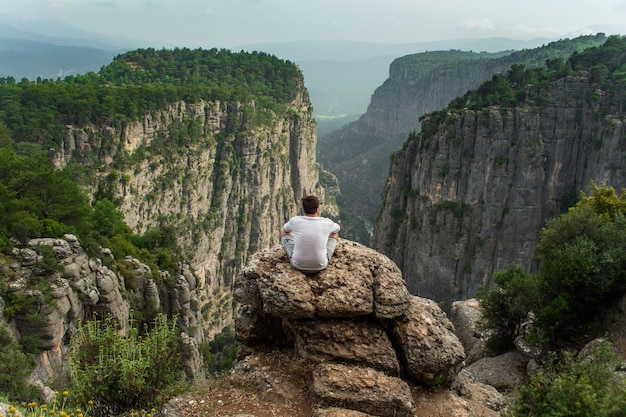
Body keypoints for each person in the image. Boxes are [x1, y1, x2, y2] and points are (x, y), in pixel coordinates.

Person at [280, 195, 340, 272]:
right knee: (334, 234)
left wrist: (295, 235)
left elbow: (285, 230)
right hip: (320, 266)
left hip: (297, 265)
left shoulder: (295, 221)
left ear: (304, 209)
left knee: (283, 233)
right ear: (317, 209)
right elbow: (337, 229)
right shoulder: (326, 222)